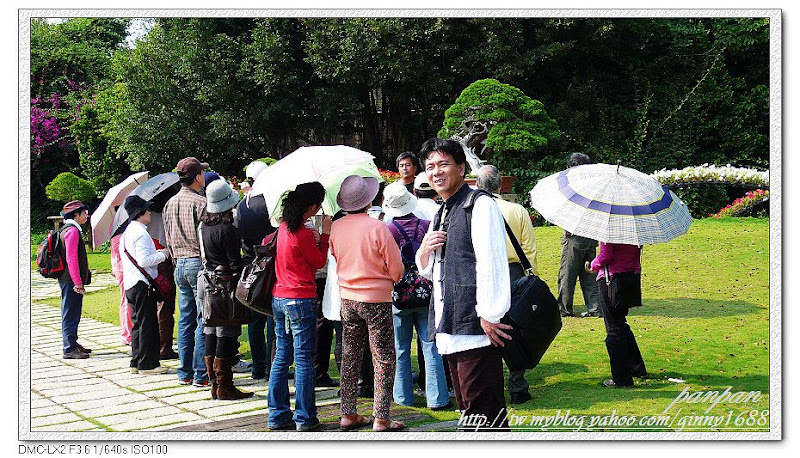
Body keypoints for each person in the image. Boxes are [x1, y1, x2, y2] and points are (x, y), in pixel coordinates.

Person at [415, 138, 512, 430]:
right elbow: (435, 270)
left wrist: (490, 314)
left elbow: (492, 262)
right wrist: (424, 250)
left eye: (443, 164)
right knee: (469, 410)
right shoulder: (442, 210)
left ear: (461, 168)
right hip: (450, 322)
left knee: (483, 412)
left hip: (476, 326)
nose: (436, 172)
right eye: (430, 166)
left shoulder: (479, 205)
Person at [330, 175, 405, 432]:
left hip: (348, 298)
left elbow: (335, 255)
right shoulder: (378, 227)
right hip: (376, 299)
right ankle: (381, 418)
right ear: (368, 200)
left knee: (350, 356)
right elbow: (396, 269)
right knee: (383, 358)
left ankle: (348, 413)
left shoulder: (336, 227)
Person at [382, 182, 450, 411]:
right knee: (430, 345)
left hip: (398, 294)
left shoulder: (388, 231)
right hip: (425, 291)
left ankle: (403, 398)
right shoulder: (426, 226)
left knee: (400, 348)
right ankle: (437, 397)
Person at [268, 182, 330, 432]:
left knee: (282, 356)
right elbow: (319, 261)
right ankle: (305, 417)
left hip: (280, 297)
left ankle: (277, 414)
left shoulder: (284, 228)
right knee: (303, 359)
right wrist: (324, 236)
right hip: (300, 298)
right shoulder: (302, 233)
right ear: (312, 207)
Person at [475, 164, 538, 405]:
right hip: (514, 273)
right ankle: (517, 385)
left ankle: (490, 384)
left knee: (486, 327)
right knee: (514, 328)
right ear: (500, 184)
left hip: (483, 273)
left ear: (477, 185)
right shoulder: (517, 210)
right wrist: (532, 280)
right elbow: (529, 249)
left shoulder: (473, 210)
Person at [195, 179, 253, 400]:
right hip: (224, 286)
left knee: (210, 332)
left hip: (207, 282)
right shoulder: (227, 229)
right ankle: (224, 386)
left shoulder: (203, 225)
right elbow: (234, 262)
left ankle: (215, 384)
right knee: (227, 334)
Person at [163, 156, 209, 387]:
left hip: (178, 263)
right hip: (196, 262)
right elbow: (206, 239)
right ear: (197, 176)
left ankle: (184, 371)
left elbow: (167, 236)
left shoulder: (169, 203)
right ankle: (200, 373)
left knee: (185, 319)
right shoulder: (201, 203)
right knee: (203, 318)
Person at [234, 160, 276, 380]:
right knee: (271, 317)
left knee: (255, 319)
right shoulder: (267, 202)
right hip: (267, 263)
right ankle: (270, 366)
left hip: (249, 262)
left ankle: (259, 366)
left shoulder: (243, 204)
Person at [120, 195, 170, 375]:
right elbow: (144, 260)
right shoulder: (141, 233)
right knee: (148, 324)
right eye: (147, 210)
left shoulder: (127, 232)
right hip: (143, 283)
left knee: (138, 324)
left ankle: (137, 360)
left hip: (131, 283)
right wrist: (163, 254)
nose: (150, 212)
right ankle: (148, 364)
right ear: (139, 213)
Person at [588, 243, 648, 388]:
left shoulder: (610, 233)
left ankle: (622, 379)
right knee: (621, 324)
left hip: (612, 280)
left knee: (614, 329)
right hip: (630, 278)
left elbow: (605, 256)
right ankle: (637, 367)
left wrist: (593, 265)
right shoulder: (633, 234)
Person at [557, 153, 603, 318]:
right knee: (589, 272)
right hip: (592, 233)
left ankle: (564, 308)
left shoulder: (573, 185)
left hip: (575, 234)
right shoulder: (595, 185)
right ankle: (595, 307)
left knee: (567, 273)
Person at [58, 200, 93, 359]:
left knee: (73, 311)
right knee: (70, 313)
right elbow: (71, 259)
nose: (86, 215)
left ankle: (73, 343)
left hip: (68, 278)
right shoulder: (72, 231)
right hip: (70, 280)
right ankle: (69, 348)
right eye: (84, 213)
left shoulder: (68, 229)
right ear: (75, 215)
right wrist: (78, 282)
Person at [110, 233, 132, 346]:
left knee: (127, 301)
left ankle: (128, 332)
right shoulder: (121, 237)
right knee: (126, 301)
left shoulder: (116, 234)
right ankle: (127, 334)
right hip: (123, 269)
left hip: (120, 268)